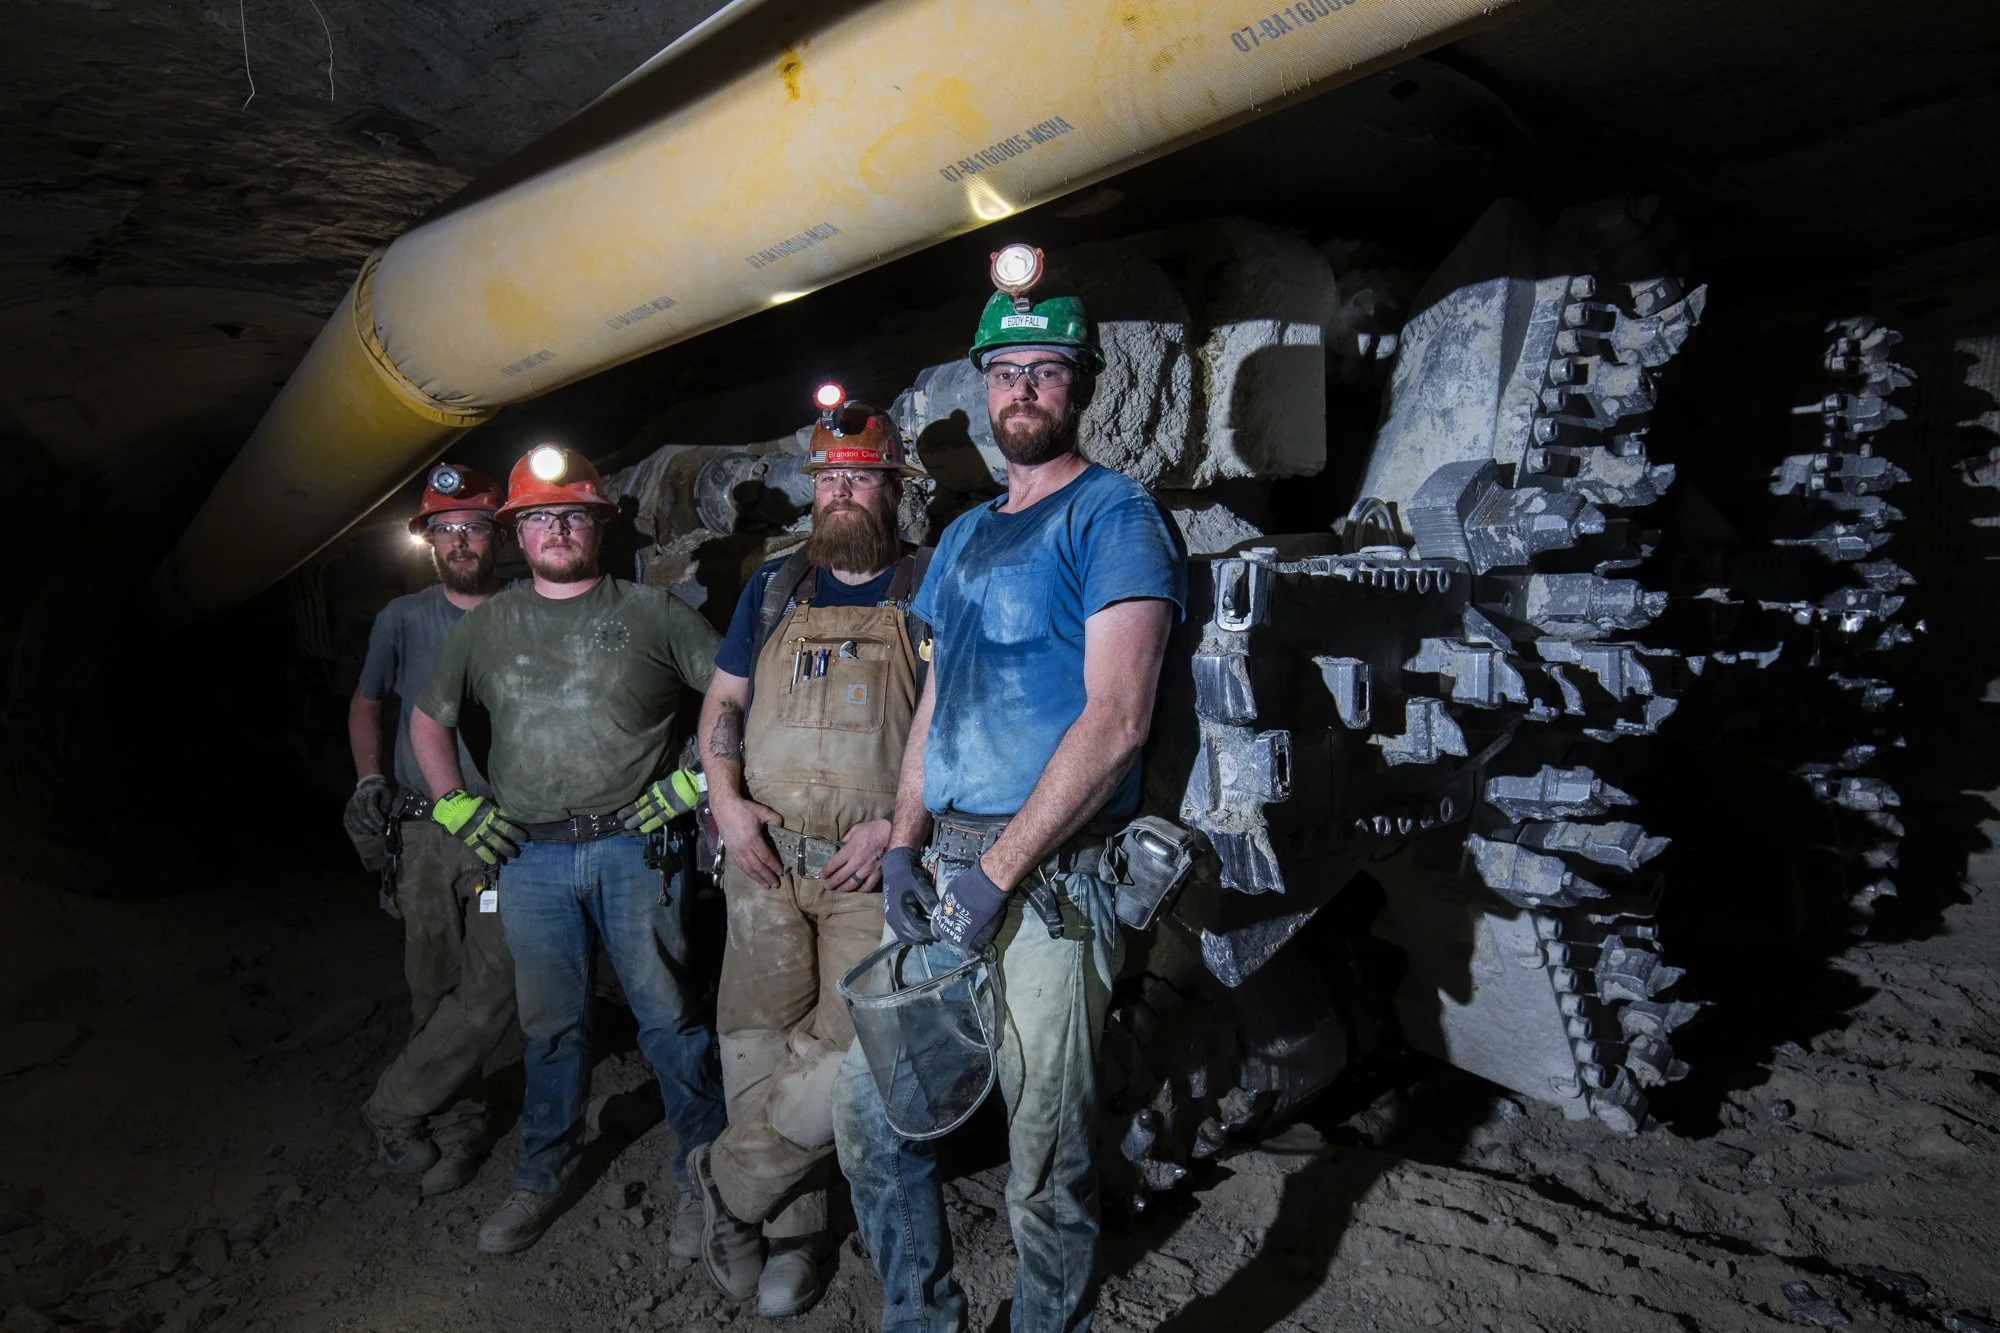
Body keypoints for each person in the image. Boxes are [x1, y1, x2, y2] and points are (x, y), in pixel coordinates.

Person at [832, 248, 1187, 1332]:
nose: (1019, 390)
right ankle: (921, 1319)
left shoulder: (1113, 516)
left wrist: (994, 871)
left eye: (1042, 371)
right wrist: (903, 838)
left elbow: (1118, 718)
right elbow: (937, 702)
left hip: (1047, 892)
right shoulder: (963, 536)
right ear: (982, 392)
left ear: (1078, 388)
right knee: (870, 1118)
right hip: (951, 874)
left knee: (1045, 1159)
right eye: (1001, 372)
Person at [409, 443, 726, 1257]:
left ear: (598, 524)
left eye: (571, 514)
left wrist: (696, 782)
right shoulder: (489, 624)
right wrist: (454, 806)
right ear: (517, 532)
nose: (555, 529)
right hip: (530, 859)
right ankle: (541, 1174)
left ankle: (704, 1176)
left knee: (669, 1018)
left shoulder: (652, 613)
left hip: (636, 848)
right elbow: (427, 719)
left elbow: (739, 690)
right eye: (539, 517)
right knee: (551, 1026)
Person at [685, 393, 929, 1317]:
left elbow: (956, 731)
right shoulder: (775, 586)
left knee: (854, 1052)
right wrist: (728, 805)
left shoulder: (932, 585)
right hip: (762, 858)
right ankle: (790, 1232)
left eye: (860, 480)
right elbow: (723, 708)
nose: (840, 495)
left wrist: (899, 831)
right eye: (829, 478)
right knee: (752, 1039)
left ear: (893, 491)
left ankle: (727, 1180)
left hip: (868, 866)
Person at [346, 465, 517, 1197]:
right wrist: (369, 779)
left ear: (494, 535)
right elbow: (367, 705)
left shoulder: (525, 608)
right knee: (431, 984)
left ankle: (394, 1104)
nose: (458, 542)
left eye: (472, 528)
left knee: (497, 980)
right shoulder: (403, 618)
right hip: (423, 835)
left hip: (503, 832)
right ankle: (456, 1120)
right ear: (429, 542)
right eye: (444, 531)